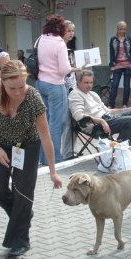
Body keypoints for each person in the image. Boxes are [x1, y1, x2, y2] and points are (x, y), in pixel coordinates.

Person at [0, 60, 62, 258]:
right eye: (12, 88)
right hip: (1, 145)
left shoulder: (32, 97)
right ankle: (23, 214)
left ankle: (21, 241)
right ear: (2, 83)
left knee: (22, 193)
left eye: (21, 86)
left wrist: (53, 172)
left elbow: (45, 136)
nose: (17, 92)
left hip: (27, 146)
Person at [69, 70, 131, 160]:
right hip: (95, 125)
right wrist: (101, 121)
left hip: (107, 118)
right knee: (130, 120)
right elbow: (78, 116)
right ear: (78, 82)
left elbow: (107, 111)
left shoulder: (93, 94)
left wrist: (128, 109)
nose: (89, 85)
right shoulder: (75, 94)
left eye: (91, 82)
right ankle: (118, 153)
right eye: (86, 82)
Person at [35, 14, 78, 165]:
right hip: (56, 84)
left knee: (44, 122)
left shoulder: (41, 38)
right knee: (57, 123)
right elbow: (64, 70)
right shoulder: (59, 43)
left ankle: (43, 158)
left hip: (40, 83)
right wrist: (77, 68)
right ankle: (54, 159)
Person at [108, 21, 131, 109]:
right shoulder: (113, 39)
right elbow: (111, 53)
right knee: (115, 85)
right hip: (117, 64)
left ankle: (125, 104)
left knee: (126, 85)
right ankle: (111, 104)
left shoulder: (129, 39)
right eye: (121, 29)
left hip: (128, 65)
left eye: (124, 29)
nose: (122, 31)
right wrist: (111, 65)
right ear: (117, 29)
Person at [62, 20, 78, 160]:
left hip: (72, 85)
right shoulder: (60, 46)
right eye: (69, 31)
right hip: (64, 87)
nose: (71, 33)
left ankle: (71, 150)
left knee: (73, 119)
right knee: (67, 121)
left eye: (73, 31)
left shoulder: (69, 46)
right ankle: (66, 152)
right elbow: (64, 70)